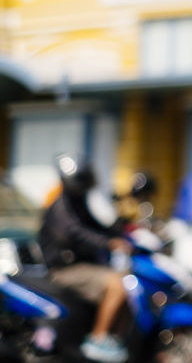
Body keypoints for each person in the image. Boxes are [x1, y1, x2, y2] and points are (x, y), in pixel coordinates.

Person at [39, 154, 132, 363]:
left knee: (130, 283)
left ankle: (116, 338)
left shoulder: (77, 203)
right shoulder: (60, 207)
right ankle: (98, 339)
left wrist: (117, 231)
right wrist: (108, 243)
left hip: (85, 266)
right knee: (117, 284)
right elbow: (76, 233)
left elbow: (94, 226)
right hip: (65, 270)